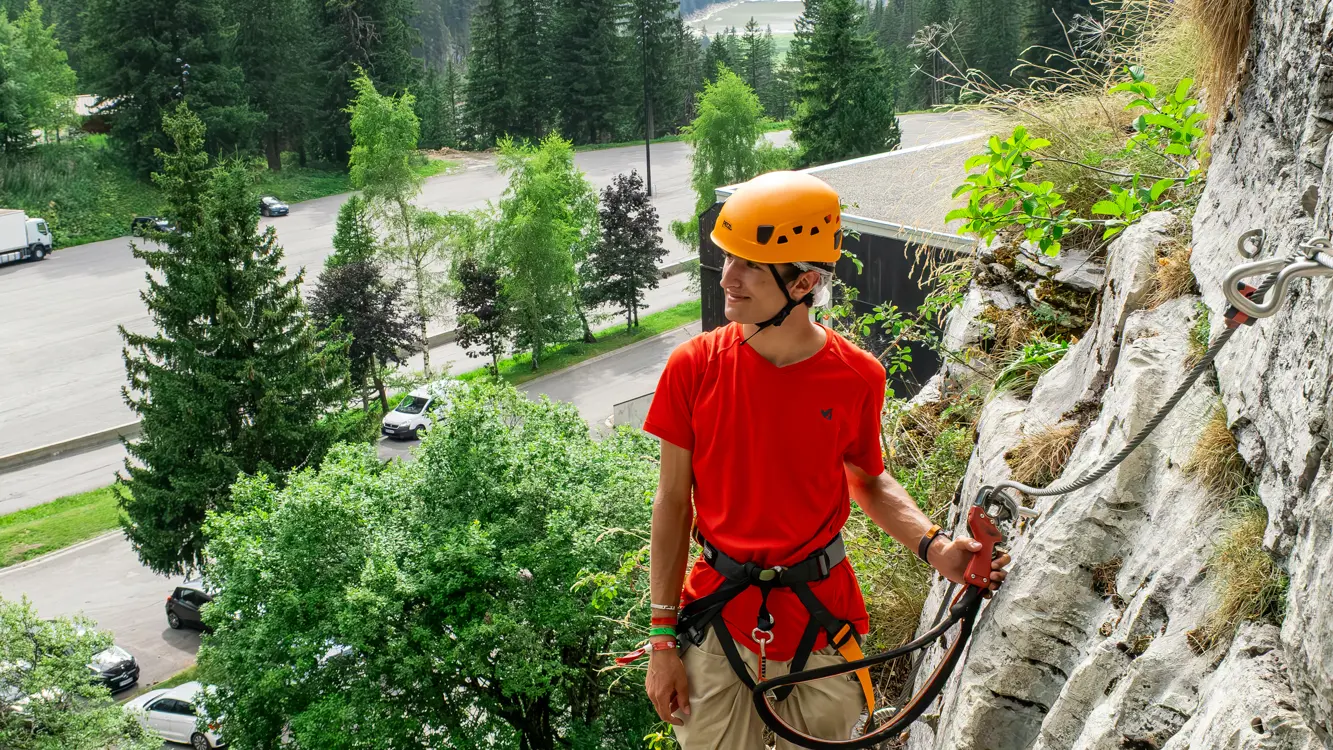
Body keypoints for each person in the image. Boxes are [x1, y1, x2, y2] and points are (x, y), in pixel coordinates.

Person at [639, 171, 1012, 749]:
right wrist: (662, 641)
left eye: (750, 266)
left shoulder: (858, 376)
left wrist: (937, 549)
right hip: (720, 617)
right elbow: (672, 504)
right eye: (728, 259)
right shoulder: (695, 367)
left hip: (820, 618)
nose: (727, 278)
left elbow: (868, 479)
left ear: (804, 282)